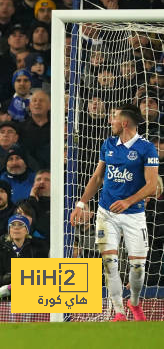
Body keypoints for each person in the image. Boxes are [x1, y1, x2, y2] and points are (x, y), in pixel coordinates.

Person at [70, 104, 158, 322]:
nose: (111, 121)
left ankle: (134, 302)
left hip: (133, 214)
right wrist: (81, 204)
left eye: (114, 117)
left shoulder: (147, 148)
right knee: (110, 263)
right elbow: (98, 177)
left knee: (137, 268)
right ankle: (119, 311)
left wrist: (128, 202)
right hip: (106, 213)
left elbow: (152, 185)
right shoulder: (108, 144)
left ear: (124, 122)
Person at [0, 214, 48, 286]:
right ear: (9, 230)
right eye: (13, 225)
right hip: (6, 291)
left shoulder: (37, 248)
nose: (16, 228)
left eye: (20, 225)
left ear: (27, 230)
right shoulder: (1, 248)